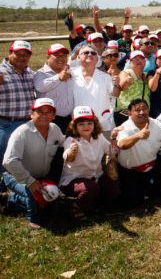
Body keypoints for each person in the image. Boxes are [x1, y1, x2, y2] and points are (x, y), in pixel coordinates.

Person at [2, 98, 64, 229]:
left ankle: (11, 200)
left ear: (53, 116)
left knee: (54, 208)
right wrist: (30, 181)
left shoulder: (55, 129)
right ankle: (33, 219)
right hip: (16, 177)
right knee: (35, 193)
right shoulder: (21, 132)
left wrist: (72, 147)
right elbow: (9, 161)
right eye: (39, 112)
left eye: (48, 112)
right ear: (32, 114)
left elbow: (65, 142)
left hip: (41, 178)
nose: (44, 115)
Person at [59, 106, 121, 220]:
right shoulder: (71, 140)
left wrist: (113, 138)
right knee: (91, 189)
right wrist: (71, 151)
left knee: (114, 190)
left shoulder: (99, 137)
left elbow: (112, 150)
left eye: (89, 123)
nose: (86, 127)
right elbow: (67, 156)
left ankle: (93, 206)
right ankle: (75, 207)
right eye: (81, 124)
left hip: (95, 177)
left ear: (94, 124)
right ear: (75, 126)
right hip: (74, 180)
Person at [116, 99, 161, 207]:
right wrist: (138, 135)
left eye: (144, 109)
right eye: (137, 110)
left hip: (151, 166)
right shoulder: (125, 127)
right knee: (135, 203)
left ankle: (153, 190)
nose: (141, 112)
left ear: (148, 109)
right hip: (131, 171)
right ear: (129, 113)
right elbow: (122, 145)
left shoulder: (157, 124)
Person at [0, 40, 36, 178]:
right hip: (6, 124)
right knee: (4, 160)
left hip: (27, 124)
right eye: (18, 54)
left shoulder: (30, 73)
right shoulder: (1, 72)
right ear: (9, 53)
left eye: (26, 55)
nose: (22, 57)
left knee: (23, 161)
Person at [72, 44, 119, 136]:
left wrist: (116, 84)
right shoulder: (71, 75)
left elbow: (115, 94)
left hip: (102, 125)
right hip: (79, 124)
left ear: (97, 59)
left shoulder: (105, 77)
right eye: (85, 52)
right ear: (78, 57)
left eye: (93, 53)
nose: (89, 55)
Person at [33, 44, 74, 132]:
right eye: (56, 55)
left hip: (69, 120)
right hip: (50, 121)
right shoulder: (40, 73)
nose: (61, 58)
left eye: (63, 55)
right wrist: (58, 78)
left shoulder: (70, 71)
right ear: (48, 57)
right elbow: (40, 87)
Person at [115, 51, 150, 127]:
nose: (138, 61)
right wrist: (126, 81)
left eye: (141, 58)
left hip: (142, 114)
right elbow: (122, 87)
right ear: (130, 63)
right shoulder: (126, 72)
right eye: (135, 59)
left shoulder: (146, 76)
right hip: (126, 114)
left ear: (145, 61)